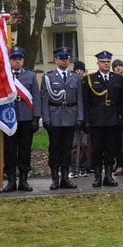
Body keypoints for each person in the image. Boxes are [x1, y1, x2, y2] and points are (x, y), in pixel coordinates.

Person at [41, 47, 84, 190]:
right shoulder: (48, 77)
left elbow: (79, 99)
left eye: (67, 58)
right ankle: (55, 178)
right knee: (54, 149)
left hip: (70, 117)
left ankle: (65, 178)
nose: (64, 61)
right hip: (54, 116)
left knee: (67, 148)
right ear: (56, 60)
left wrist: (80, 117)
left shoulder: (75, 77)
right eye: (61, 58)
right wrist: (46, 119)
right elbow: (44, 100)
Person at [0, 46, 41, 193]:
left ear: (23, 60)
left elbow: (36, 96)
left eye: (20, 59)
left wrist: (36, 117)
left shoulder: (30, 76)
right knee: (9, 150)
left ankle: (24, 180)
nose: (17, 62)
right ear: (9, 60)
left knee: (25, 150)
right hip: (8, 118)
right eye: (14, 59)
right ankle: (11, 181)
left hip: (26, 118)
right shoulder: (3, 75)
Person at [83, 51, 123, 187]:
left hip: (113, 118)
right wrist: (86, 120)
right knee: (97, 150)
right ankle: (97, 177)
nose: (106, 64)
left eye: (108, 61)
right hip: (96, 118)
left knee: (110, 149)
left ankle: (108, 176)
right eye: (103, 62)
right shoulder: (89, 79)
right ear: (98, 63)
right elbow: (85, 102)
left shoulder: (118, 79)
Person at [69, 60, 90, 178]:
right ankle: (72, 168)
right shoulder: (71, 82)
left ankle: (83, 167)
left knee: (83, 144)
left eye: (81, 70)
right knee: (72, 145)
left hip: (84, 118)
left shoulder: (86, 83)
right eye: (77, 70)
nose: (79, 72)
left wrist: (86, 120)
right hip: (72, 117)